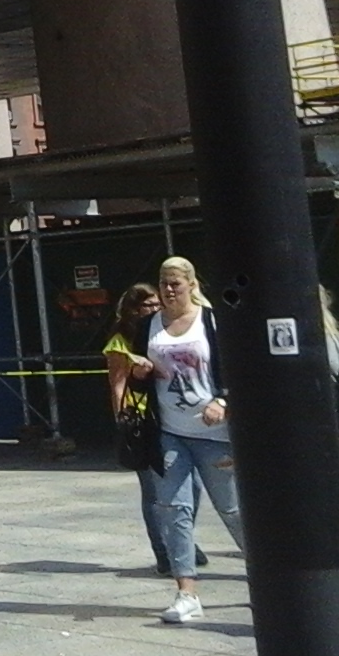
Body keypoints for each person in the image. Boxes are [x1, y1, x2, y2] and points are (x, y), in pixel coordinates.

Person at [129, 256, 246, 624]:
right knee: (173, 510)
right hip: (170, 433)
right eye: (163, 282)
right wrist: (140, 373)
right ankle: (186, 593)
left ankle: (268, 572)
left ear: (191, 285)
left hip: (215, 435)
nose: (168, 290)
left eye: (175, 283)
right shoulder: (149, 325)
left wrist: (222, 401)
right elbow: (137, 382)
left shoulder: (210, 321)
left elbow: (236, 367)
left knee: (232, 509)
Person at [103, 283, 205, 575]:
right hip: (142, 419)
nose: (156, 309)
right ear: (134, 309)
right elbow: (117, 384)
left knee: (193, 485)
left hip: (170, 414)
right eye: (149, 305)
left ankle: (181, 541)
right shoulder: (120, 341)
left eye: (158, 304)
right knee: (153, 490)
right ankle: (163, 551)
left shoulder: (161, 331)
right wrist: (123, 421)